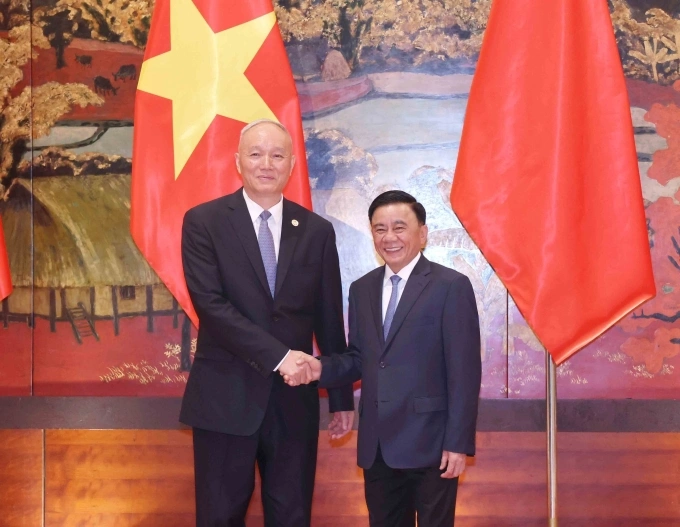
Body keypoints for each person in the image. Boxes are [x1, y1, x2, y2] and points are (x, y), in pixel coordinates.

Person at [179, 119, 355, 527]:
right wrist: (280, 356)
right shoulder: (204, 222)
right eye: (256, 154)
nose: (266, 164)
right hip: (225, 398)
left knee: (292, 516)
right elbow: (211, 306)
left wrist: (341, 396)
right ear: (237, 161)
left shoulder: (316, 231)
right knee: (220, 517)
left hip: (293, 404)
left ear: (291, 165)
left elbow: (328, 316)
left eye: (277, 155)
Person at [289, 190, 482, 527]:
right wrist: (320, 368)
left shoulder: (451, 286)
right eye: (380, 229)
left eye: (399, 227)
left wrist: (458, 443)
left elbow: (464, 372)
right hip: (377, 446)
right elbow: (360, 358)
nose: (389, 237)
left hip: (432, 444)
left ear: (422, 233)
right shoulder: (361, 289)